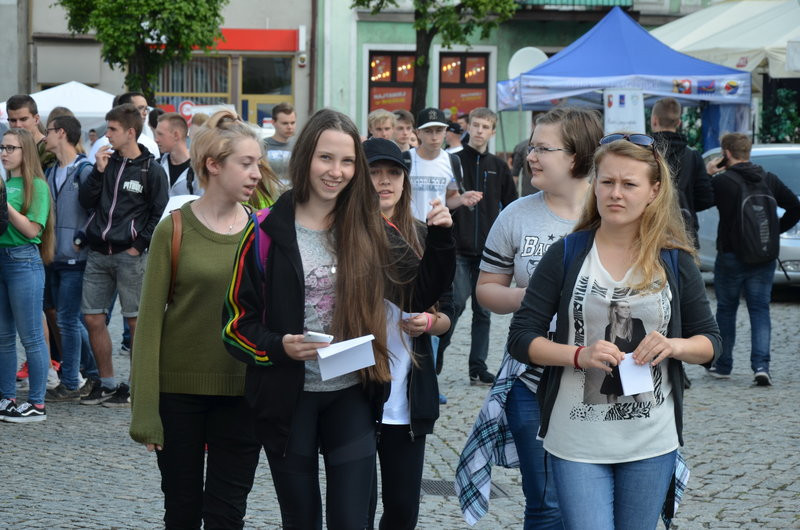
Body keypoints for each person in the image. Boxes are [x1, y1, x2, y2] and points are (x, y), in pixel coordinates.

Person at [221, 108, 455, 529]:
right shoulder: (264, 230)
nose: (336, 171)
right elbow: (235, 325)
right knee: (302, 520)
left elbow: (417, 295)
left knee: (351, 520)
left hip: (351, 393)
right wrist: (279, 346)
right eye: (326, 158)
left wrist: (440, 239)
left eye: (347, 161)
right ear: (305, 157)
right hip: (288, 399)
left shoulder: (369, 227)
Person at [507, 133, 722, 529]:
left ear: (654, 191)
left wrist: (673, 345)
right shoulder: (568, 253)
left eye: (629, 184)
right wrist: (579, 355)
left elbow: (710, 342)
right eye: (607, 182)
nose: (616, 193)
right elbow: (521, 338)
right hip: (577, 439)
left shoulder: (673, 260)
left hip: (651, 439)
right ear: (594, 185)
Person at [456, 107, 602, 528]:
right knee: (545, 501)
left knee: (592, 499)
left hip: (601, 378)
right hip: (530, 376)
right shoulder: (516, 215)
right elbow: (487, 289)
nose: (529, 157)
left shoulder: (609, 211)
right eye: (531, 148)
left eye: (542, 149)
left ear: (575, 155)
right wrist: (530, 297)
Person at [130, 110, 263, 528]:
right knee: (182, 510)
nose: (257, 174)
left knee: (227, 515)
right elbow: (149, 323)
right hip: (178, 395)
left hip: (242, 394)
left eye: (259, 163)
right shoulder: (173, 229)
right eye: (247, 163)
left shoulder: (262, 231)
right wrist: (144, 411)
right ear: (213, 165)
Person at [363, 137, 455, 530]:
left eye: (393, 173)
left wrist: (430, 323)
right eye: (374, 173)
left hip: (407, 391)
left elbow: (447, 311)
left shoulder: (424, 234)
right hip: (358, 389)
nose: (384, 181)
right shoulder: (347, 235)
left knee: (402, 510)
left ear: (405, 180)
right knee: (356, 507)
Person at [78, 103, 168, 407]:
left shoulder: (151, 170)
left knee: (135, 323)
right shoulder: (106, 162)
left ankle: (135, 386)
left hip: (130, 256)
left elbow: (159, 214)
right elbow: (86, 201)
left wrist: (137, 246)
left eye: (113, 129)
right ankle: (107, 384)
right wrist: (98, 172)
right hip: (98, 253)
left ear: (130, 132)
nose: (107, 134)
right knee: (92, 318)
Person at [704, 133, 800, 385]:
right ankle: (761, 366)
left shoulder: (723, 182)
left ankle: (723, 364)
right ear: (748, 152)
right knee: (760, 310)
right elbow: (795, 206)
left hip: (731, 256)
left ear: (726, 154)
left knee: (726, 310)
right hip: (763, 255)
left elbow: (698, 200)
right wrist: (774, 231)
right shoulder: (769, 179)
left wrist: (708, 174)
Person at [438, 107, 517, 387]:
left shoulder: (499, 166)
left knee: (484, 312)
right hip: (458, 247)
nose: (480, 130)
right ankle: (435, 361)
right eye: (476, 125)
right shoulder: (453, 160)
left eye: (485, 126)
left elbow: (512, 206)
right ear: (468, 127)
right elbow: (443, 199)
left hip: (488, 251)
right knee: (456, 304)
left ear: (493, 132)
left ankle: (478, 367)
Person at [0, 128, 55, 423]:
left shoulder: (37, 186)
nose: (4, 153)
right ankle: (6, 398)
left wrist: (4, 204)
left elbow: (33, 229)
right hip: (3, 259)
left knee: (31, 337)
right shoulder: (7, 184)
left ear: (26, 152)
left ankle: (37, 403)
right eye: (2, 147)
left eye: (11, 148)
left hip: (23, 261)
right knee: (3, 337)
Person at [42, 115, 95, 402]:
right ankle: (86, 374)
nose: (45, 136)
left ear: (61, 132)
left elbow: (98, 210)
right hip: (53, 256)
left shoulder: (85, 170)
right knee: (66, 320)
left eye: (49, 131)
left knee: (68, 320)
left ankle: (72, 380)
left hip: (75, 258)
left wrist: (80, 238)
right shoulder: (51, 171)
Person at [650, 97, 714, 247]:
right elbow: (706, 198)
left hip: (648, 232)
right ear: (679, 123)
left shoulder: (643, 153)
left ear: (654, 120)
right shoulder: (693, 156)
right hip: (684, 235)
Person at [600, 300, 648, 403]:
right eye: (623, 307)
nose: (627, 310)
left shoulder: (637, 323)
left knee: (639, 397)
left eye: (628, 307)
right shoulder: (609, 328)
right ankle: (612, 413)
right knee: (611, 394)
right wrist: (606, 367)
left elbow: (644, 344)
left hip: (633, 364)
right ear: (615, 309)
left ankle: (647, 412)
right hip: (616, 365)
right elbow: (608, 350)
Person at [155, 112, 201, 196]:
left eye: (160, 134)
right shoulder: (157, 165)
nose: (156, 139)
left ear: (176, 135)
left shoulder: (198, 170)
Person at [6, 94, 56, 169]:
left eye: (23, 119)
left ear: (36, 119)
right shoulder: (8, 150)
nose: (18, 125)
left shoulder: (48, 149)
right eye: (13, 120)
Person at [263, 102, 297, 184]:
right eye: (285, 123)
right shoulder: (262, 145)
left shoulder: (299, 146)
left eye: (292, 123)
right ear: (273, 122)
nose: (290, 127)